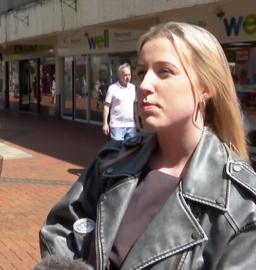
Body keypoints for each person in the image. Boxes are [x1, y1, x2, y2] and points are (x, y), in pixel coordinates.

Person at [39, 22, 256, 269]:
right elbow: (60, 230)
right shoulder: (114, 160)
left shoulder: (241, 203)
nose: (143, 85)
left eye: (164, 72)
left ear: (205, 87)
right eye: (142, 72)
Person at [102, 63, 137, 141]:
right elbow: (106, 106)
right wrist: (105, 123)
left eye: (129, 75)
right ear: (120, 75)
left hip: (131, 125)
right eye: (125, 75)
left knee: (131, 150)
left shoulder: (133, 88)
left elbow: (135, 106)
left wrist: (137, 123)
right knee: (117, 150)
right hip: (116, 126)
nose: (127, 77)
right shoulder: (112, 88)